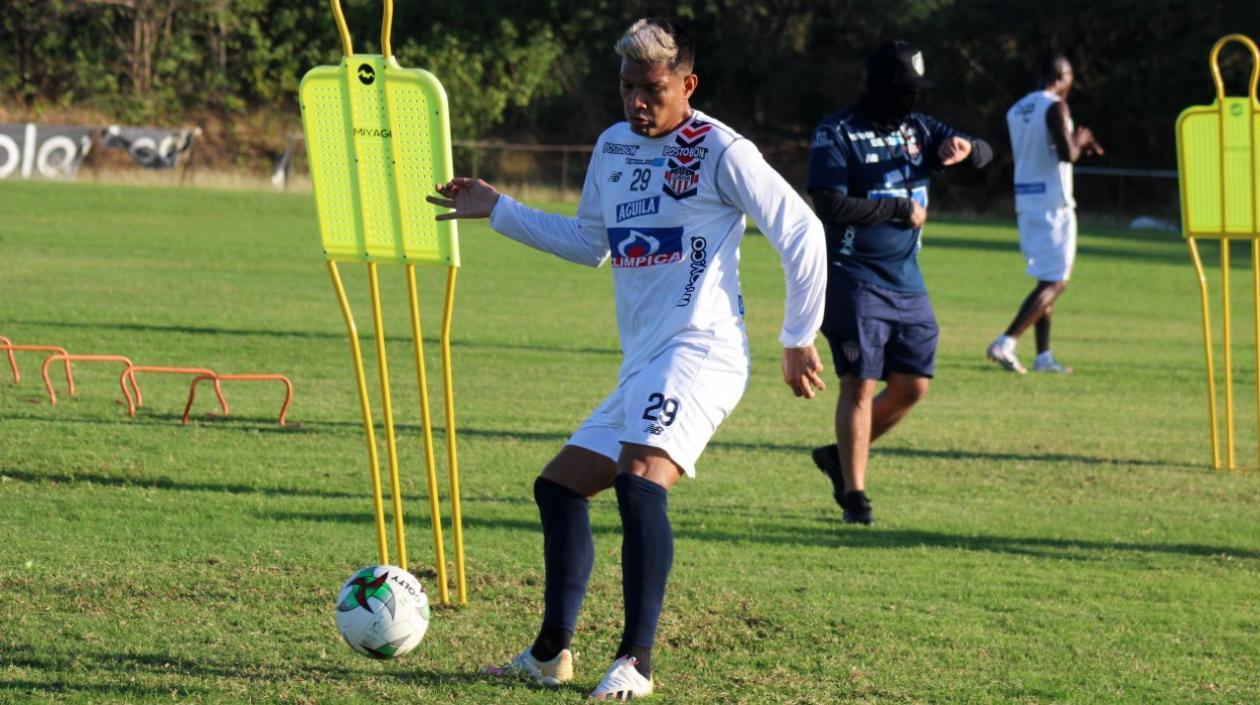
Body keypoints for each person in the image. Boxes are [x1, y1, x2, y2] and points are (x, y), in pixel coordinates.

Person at [427, 17, 827, 701]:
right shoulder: (613, 147)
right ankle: (549, 654)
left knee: (640, 480)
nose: (638, 102)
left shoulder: (720, 149)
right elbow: (591, 243)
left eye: (653, 90)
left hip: (703, 351)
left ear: (688, 85)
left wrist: (798, 335)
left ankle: (635, 663)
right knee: (559, 488)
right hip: (645, 362)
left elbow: (802, 229)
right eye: (627, 88)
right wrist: (499, 209)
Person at [806, 40, 993, 525]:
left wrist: (967, 149)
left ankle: (838, 456)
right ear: (877, 87)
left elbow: (985, 153)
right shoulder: (837, 131)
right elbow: (829, 203)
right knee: (859, 383)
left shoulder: (919, 129)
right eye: (903, 90)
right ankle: (856, 498)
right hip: (853, 276)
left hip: (907, 281)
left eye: (917, 91)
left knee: (913, 385)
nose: (911, 99)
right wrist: (896, 208)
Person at [986, 52, 1103, 374]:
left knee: (1045, 279)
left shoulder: (1017, 108)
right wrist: (1081, 138)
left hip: (1026, 199)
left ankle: (1043, 357)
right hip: (1054, 203)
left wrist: (1075, 143)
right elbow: (1067, 154)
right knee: (1057, 280)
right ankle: (1006, 342)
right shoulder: (1056, 106)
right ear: (1062, 77)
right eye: (1070, 80)